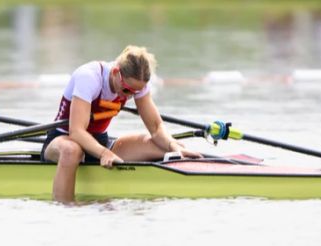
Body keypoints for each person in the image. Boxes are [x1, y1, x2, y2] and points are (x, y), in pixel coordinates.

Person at [41, 46, 203, 201]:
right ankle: (66, 207)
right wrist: (104, 153)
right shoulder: (89, 77)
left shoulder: (136, 83)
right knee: (72, 150)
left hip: (100, 142)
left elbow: (156, 127)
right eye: (127, 91)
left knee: (159, 145)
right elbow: (76, 132)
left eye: (136, 92)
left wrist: (173, 146)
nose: (130, 96)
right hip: (63, 139)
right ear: (116, 72)